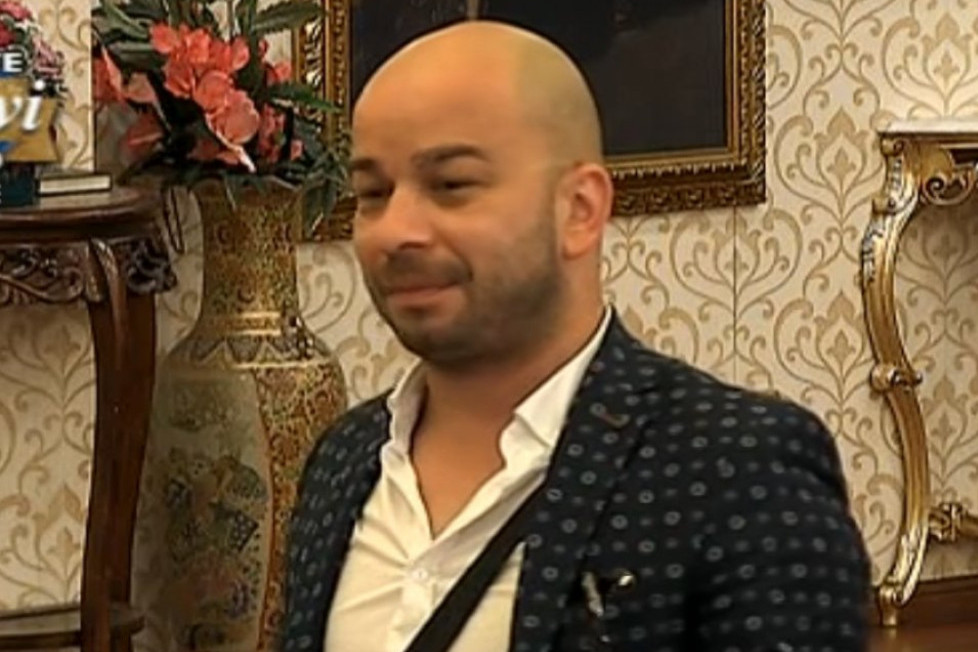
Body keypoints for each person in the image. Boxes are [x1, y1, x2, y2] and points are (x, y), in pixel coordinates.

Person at [281, 20, 871, 652]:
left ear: (580, 209)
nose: (397, 231)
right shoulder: (344, 460)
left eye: (451, 186)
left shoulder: (737, 469)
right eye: (372, 193)